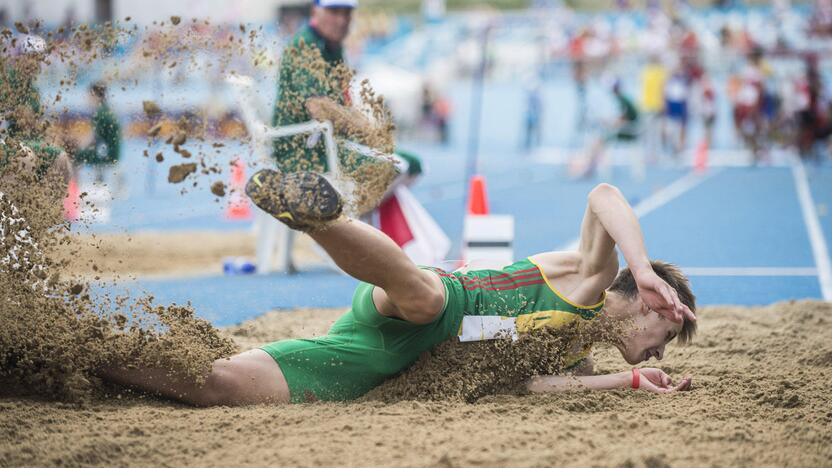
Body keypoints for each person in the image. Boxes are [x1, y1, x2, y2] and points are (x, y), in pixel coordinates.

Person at [101, 172, 696, 405]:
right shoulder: (588, 281)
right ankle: (318, 218)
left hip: (384, 359)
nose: (659, 350)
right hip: (435, 304)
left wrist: (632, 378)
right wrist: (643, 267)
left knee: (222, 385)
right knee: (426, 296)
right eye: (665, 335)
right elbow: (603, 196)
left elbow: (528, 383)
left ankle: (78, 356)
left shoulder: (576, 346)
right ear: (648, 301)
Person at [74, 82, 121, 183]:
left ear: (95, 96)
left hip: (107, 156)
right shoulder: (107, 109)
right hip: (114, 154)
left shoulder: (99, 114)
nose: (87, 99)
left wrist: (77, 146)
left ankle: (74, 188)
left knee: (74, 155)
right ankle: (98, 179)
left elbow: (92, 139)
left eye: (89, 95)